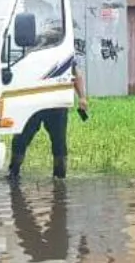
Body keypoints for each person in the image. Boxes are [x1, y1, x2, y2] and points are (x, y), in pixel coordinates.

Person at [7, 51, 88, 181]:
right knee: (21, 138)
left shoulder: (64, 54)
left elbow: (76, 74)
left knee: (59, 142)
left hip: (56, 104)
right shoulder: (31, 54)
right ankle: (13, 171)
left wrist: (82, 98)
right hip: (33, 103)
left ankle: (60, 176)